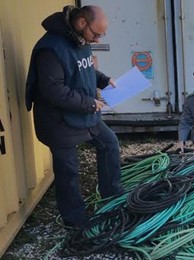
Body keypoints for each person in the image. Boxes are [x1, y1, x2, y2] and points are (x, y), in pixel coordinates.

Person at [25, 5, 123, 227]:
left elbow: (84, 70)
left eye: (101, 35)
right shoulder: (50, 49)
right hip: (58, 120)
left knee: (109, 144)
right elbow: (54, 91)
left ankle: (113, 199)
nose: (97, 40)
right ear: (81, 23)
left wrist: (104, 80)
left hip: (84, 112)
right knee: (68, 171)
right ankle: (75, 220)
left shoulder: (81, 40)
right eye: (96, 34)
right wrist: (89, 103)